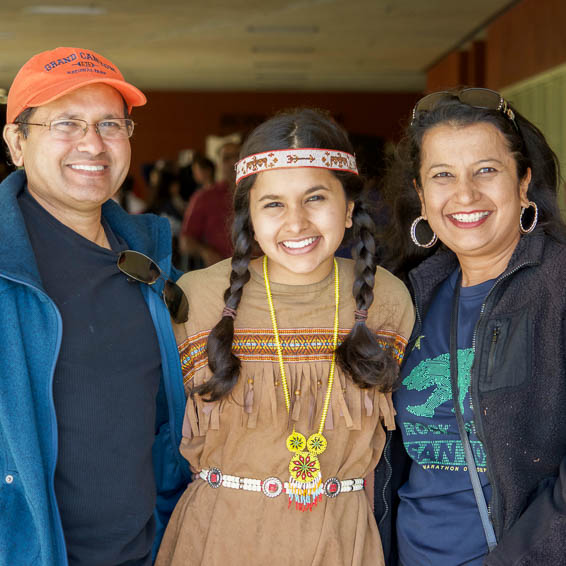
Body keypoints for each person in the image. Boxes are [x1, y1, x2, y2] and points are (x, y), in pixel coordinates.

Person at [155, 108, 414, 566]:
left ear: (350, 206)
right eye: (273, 203)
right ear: (249, 216)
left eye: (316, 198)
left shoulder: (387, 300)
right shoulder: (199, 300)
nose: (295, 223)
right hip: (219, 539)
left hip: (341, 541)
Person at [0, 46, 191, 566]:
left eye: (110, 123)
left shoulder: (151, 261)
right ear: (17, 142)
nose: (93, 143)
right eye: (66, 123)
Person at [377, 88, 566, 565]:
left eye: (486, 170)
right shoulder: (405, 297)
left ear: (524, 182)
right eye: (443, 175)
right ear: (421, 194)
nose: (465, 194)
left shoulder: (558, 287)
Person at [178, 141, 240, 266]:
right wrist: (205, 251)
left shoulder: (260, 193)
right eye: (227, 158)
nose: (234, 162)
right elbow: (185, 242)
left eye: (238, 156)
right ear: (218, 164)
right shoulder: (204, 197)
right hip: (222, 271)